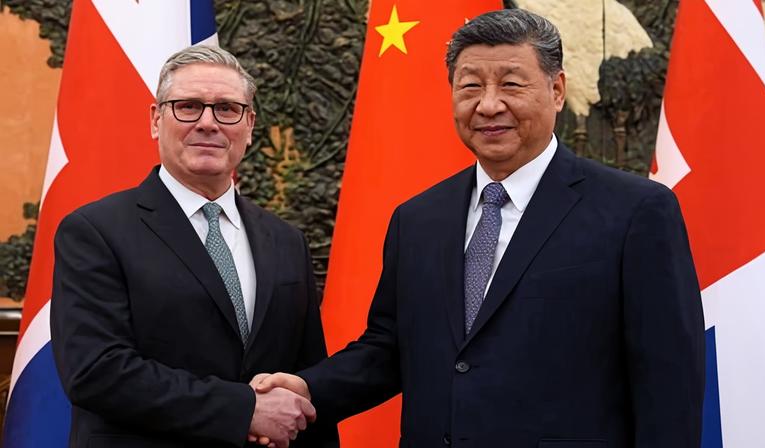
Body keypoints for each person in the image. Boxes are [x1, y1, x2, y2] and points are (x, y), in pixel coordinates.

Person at [253, 8, 705, 447]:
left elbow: (668, 381)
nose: (488, 105)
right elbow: (389, 349)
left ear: (557, 90)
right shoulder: (417, 219)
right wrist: (308, 389)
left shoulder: (635, 211)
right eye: (470, 86)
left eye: (511, 84)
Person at [50, 45, 338, 448]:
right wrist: (243, 410)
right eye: (187, 107)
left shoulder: (286, 241)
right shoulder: (95, 231)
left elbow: (305, 380)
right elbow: (96, 371)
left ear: (249, 125)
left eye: (227, 109)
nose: (207, 123)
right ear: (156, 120)